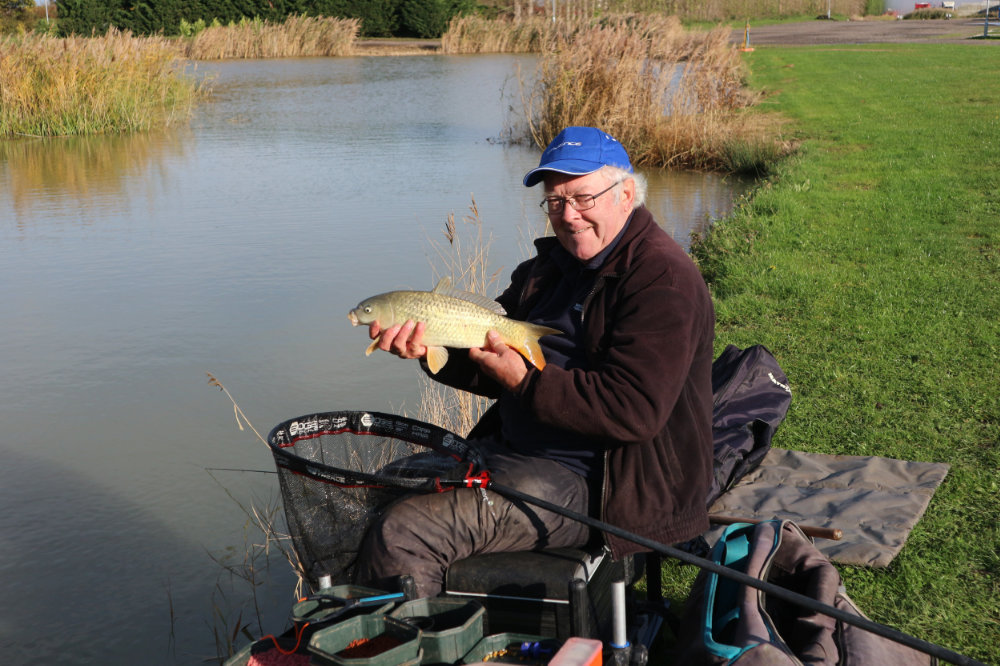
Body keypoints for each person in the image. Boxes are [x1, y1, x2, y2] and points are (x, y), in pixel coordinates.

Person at [355, 126, 715, 598]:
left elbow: (634, 411)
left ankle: (412, 644)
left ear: (626, 193)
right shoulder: (545, 271)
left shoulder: (662, 280)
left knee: (406, 531)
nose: (568, 217)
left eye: (583, 198)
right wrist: (431, 351)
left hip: (600, 485)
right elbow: (489, 366)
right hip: (514, 453)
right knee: (381, 488)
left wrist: (525, 382)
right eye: (555, 202)